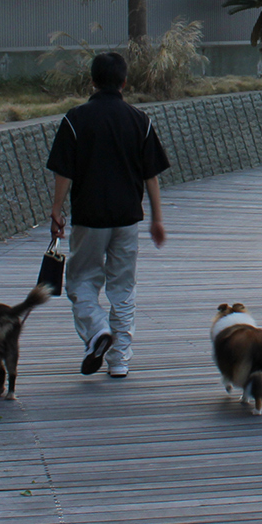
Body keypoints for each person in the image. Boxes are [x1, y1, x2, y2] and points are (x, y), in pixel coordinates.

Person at [47, 51, 170, 379]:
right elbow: (151, 176)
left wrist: (57, 209)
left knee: (81, 280)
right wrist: (157, 218)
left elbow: (63, 171)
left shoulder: (75, 119)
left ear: (92, 81)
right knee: (123, 286)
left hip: (89, 217)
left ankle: (98, 329)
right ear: (125, 82)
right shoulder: (140, 120)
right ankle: (119, 360)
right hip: (128, 216)